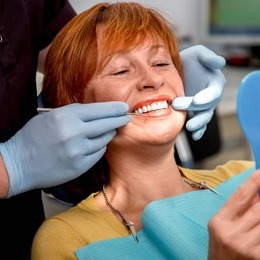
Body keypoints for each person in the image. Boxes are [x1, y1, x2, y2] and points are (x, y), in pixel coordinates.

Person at [30, 2, 258, 259]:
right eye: (121, 70)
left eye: (161, 63)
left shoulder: (248, 177)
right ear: (76, 107)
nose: (152, 79)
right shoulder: (66, 239)